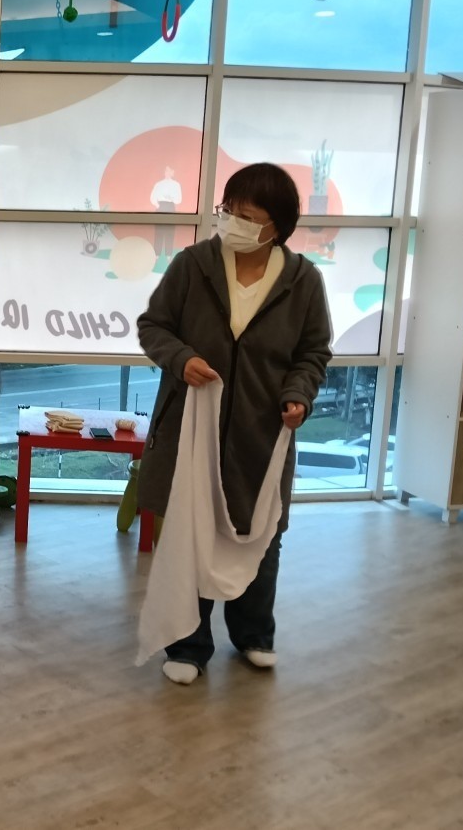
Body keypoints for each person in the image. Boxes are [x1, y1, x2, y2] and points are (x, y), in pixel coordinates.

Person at [135, 162, 332, 686]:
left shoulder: (303, 281)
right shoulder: (193, 265)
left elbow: (313, 353)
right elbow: (153, 327)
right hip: (192, 430)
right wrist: (181, 359)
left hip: (261, 435)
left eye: (248, 217)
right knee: (191, 534)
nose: (233, 223)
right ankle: (188, 644)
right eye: (229, 211)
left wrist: (298, 394)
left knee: (260, 536)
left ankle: (253, 635)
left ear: (277, 227)